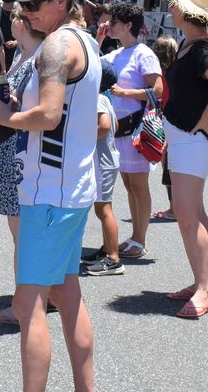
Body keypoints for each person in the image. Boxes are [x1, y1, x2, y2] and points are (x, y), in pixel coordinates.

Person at [0, 0, 100, 392]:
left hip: (48, 191)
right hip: (68, 188)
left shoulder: (55, 47)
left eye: (33, 5)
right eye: (22, 4)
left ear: (60, 3)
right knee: (66, 295)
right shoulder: (83, 41)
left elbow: (49, 117)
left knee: (28, 302)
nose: (25, 13)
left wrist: (4, 114)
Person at [151, 0, 208, 320]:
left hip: (193, 139)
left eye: (174, 4)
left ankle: (203, 288)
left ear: (185, 11)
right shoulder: (189, 43)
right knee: (193, 213)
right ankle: (205, 282)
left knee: (187, 214)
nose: (170, 8)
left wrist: (204, 115)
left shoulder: (199, 47)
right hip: (186, 137)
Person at [0, 3, 47, 323]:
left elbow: (34, 107)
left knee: (23, 232)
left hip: (20, 149)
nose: (11, 21)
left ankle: (26, 302)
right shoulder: (23, 56)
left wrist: (0, 107)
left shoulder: (36, 59)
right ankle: (36, 296)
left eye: (14, 17)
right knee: (22, 230)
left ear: (23, 24)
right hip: (13, 145)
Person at [102, 1, 163, 260]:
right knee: (129, 184)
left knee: (138, 185)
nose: (108, 25)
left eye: (113, 22)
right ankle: (136, 236)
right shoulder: (116, 53)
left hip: (136, 127)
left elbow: (158, 90)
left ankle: (141, 238)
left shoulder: (143, 53)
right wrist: (99, 36)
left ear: (128, 25)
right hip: (119, 129)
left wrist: (126, 92)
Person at [82, 60, 123, 276]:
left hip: (102, 163)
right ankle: (107, 248)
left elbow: (106, 126)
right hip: (106, 161)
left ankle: (113, 258)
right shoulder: (105, 99)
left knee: (104, 209)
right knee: (101, 208)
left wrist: (84, 138)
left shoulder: (97, 99)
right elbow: (114, 126)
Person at [150, 34, 179, 221]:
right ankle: (176, 207)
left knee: (169, 166)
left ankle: (174, 209)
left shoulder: (156, 75)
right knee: (176, 167)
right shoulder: (178, 71)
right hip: (177, 121)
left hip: (165, 121)